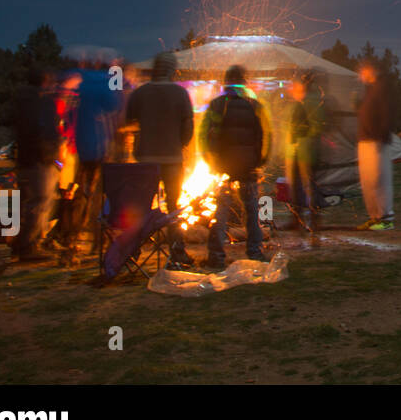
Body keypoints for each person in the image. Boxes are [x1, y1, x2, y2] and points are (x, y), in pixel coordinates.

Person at [124, 51, 195, 267]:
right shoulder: (180, 93)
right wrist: (179, 144)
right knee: (173, 206)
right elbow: (188, 126)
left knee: (142, 206)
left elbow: (129, 122)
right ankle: (177, 251)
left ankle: (133, 250)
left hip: (145, 158)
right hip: (172, 159)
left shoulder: (140, 93)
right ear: (172, 70)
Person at [199, 64, 270, 267]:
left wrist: (209, 160)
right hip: (248, 165)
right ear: (244, 82)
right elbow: (268, 135)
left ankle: (216, 256)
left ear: (225, 82)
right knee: (252, 209)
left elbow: (203, 136)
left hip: (223, 166)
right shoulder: (256, 106)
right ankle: (255, 252)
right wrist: (260, 161)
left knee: (220, 211)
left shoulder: (216, 105)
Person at [58, 57, 122, 252]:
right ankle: (98, 240)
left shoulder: (80, 82)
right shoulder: (107, 82)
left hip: (79, 147)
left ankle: (72, 236)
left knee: (79, 192)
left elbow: (68, 115)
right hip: (101, 147)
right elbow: (115, 106)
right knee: (100, 195)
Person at [12, 67, 62, 260]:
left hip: (25, 157)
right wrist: (53, 154)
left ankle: (24, 243)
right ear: (44, 82)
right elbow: (47, 129)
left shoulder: (22, 101)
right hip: (40, 158)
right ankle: (29, 246)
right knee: (40, 200)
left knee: (29, 201)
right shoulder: (42, 101)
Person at [355, 63, 395, 231]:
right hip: (365, 140)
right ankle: (375, 217)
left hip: (376, 141)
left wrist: (381, 136)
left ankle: (386, 219)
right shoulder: (370, 90)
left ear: (371, 70)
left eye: (362, 71)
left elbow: (387, 113)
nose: (360, 75)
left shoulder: (382, 88)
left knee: (380, 180)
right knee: (368, 182)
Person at [286, 70, 326, 232]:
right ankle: (297, 220)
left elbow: (316, 127)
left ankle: (315, 221)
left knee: (309, 186)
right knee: (295, 185)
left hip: (307, 151)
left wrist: (303, 139)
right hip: (298, 150)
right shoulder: (302, 101)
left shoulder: (311, 100)